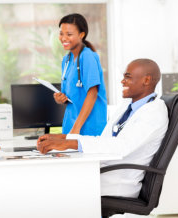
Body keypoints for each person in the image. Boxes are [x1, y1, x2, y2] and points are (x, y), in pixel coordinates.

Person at [37, 58, 169, 198]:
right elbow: (104, 139)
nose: (122, 81)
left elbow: (122, 146)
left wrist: (68, 143)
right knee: (51, 177)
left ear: (146, 80)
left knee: (51, 187)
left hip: (117, 181)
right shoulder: (128, 106)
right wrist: (64, 137)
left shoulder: (154, 112)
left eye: (127, 77)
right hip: (104, 170)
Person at [54, 13, 107, 135]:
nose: (63, 38)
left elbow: (92, 94)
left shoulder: (87, 57)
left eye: (69, 34)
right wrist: (60, 99)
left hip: (88, 128)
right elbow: (72, 96)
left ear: (81, 35)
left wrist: (76, 128)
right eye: (61, 33)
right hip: (70, 126)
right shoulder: (66, 60)